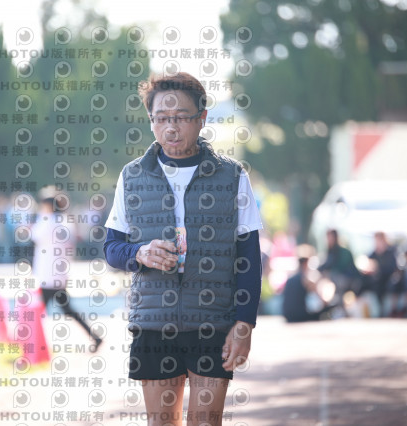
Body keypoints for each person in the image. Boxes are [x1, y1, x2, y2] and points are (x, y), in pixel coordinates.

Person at [103, 72, 263, 425]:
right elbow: (112, 248)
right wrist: (139, 253)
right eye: (161, 118)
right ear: (151, 120)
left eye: (180, 118)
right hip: (154, 324)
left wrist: (244, 324)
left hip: (212, 324)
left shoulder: (232, 177)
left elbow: (249, 259)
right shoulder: (132, 176)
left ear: (201, 118)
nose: (171, 128)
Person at [31, 187, 102, 351]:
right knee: (67, 310)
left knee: (37, 311)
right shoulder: (65, 221)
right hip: (60, 274)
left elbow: (34, 235)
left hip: (48, 275)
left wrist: (41, 216)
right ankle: (95, 337)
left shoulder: (48, 221)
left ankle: (31, 345)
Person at [282, 245, 333, 322]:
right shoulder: (306, 278)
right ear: (306, 262)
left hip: (288, 315)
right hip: (299, 315)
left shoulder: (291, 277)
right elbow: (320, 297)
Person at [318, 229, 361, 303]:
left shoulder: (343, 252)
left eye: (330, 237)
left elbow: (340, 268)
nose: (328, 240)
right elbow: (325, 265)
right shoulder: (331, 251)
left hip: (348, 279)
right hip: (340, 279)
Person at [362, 232, 399, 316]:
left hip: (388, 279)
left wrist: (378, 269)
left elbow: (393, 268)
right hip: (377, 281)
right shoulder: (373, 254)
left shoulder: (391, 252)